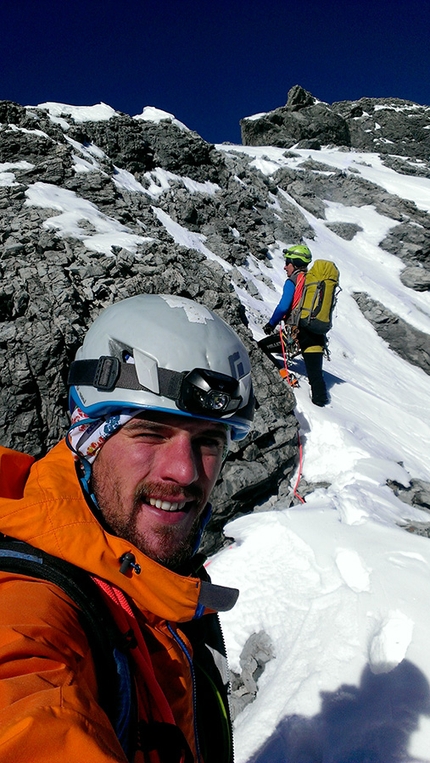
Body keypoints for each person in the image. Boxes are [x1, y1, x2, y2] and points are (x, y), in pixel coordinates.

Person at [0, 294, 255, 763]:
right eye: (151, 432)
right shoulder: (28, 602)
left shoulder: (155, 583)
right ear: (88, 438)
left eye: (208, 441)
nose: (184, 471)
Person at [262, 244, 329, 407]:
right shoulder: (315, 282)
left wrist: (271, 324)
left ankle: (283, 374)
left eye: (288, 262)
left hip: (297, 334)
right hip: (316, 335)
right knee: (316, 377)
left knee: (260, 348)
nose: (285, 267)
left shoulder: (293, 281)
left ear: (295, 263)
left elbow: (284, 306)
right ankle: (323, 409)